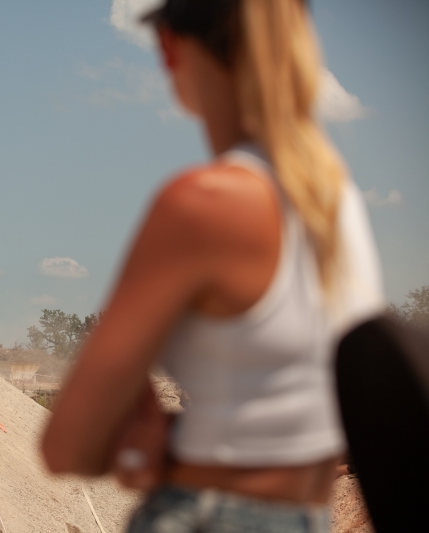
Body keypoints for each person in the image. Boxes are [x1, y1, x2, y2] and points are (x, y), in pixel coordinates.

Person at [41, 1, 384, 532]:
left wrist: (147, 446)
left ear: (170, 48)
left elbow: (66, 445)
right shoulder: (337, 203)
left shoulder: (203, 204)